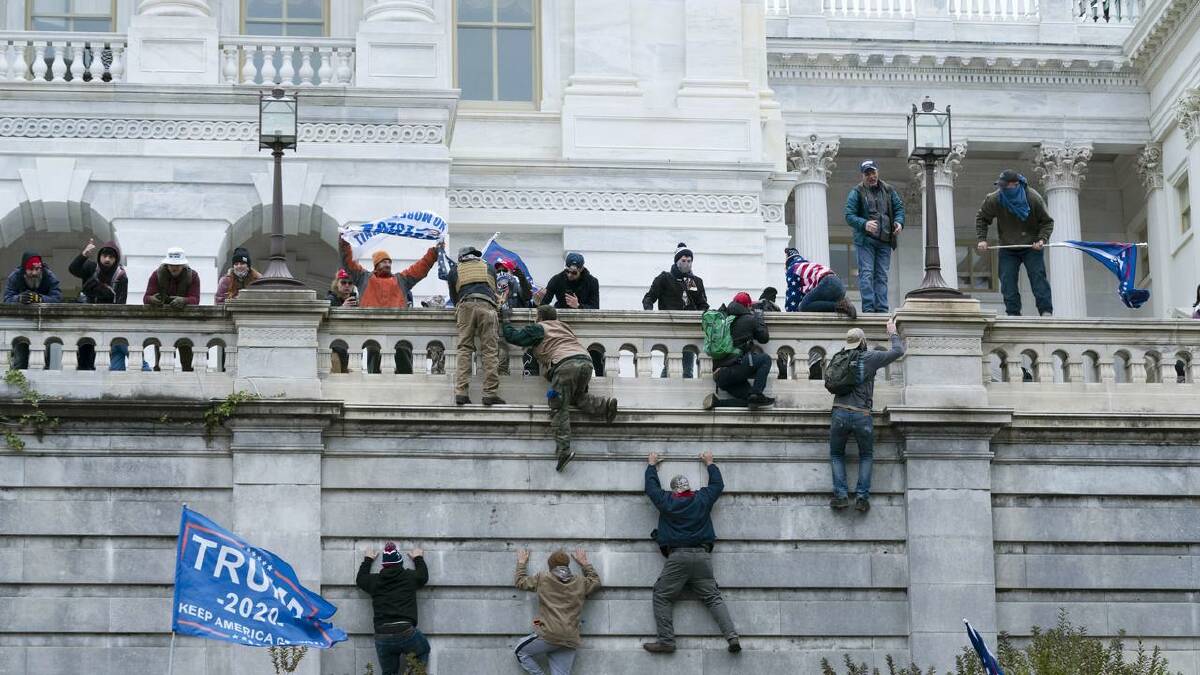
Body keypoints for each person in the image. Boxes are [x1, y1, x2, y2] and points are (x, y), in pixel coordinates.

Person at [643, 450, 740, 655]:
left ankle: (667, 641)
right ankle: (732, 637)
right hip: (703, 557)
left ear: (674, 490)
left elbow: (651, 489)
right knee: (713, 598)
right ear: (688, 487)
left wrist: (651, 465)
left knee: (661, 595)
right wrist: (710, 463)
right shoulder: (702, 498)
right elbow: (717, 486)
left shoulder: (667, 501)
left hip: (678, 557)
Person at [502, 304, 618, 470]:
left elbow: (514, 337)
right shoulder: (564, 327)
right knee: (577, 397)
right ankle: (606, 406)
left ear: (540, 317)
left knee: (558, 406)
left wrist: (506, 320)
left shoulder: (540, 328)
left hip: (565, 366)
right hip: (585, 362)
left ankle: (564, 450)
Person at [828, 319, 904, 513]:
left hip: (839, 411)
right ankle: (862, 498)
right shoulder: (870, 357)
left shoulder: (839, 357)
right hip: (862, 413)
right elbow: (898, 351)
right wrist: (893, 332)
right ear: (862, 342)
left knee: (837, 454)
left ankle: (841, 496)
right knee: (866, 455)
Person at [975, 169, 1055, 317]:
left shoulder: (1033, 198)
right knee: (1007, 280)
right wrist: (982, 239)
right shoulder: (995, 198)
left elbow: (1047, 222)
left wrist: (1042, 239)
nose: (1002, 189)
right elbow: (982, 219)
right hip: (1008, 247)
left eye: (1005, 186)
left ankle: (1046, 311)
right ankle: (1013, 313)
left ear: (1016, 184)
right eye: (1000, 186)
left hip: (1032, 247)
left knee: (1038, 278)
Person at [513, 548, 601, 675]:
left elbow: (520, 582)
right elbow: (596, 582)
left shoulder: (543, 578)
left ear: (550, 566)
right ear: (567, 565)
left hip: (549, 635)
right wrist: (585, 563)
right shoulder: (580, 582)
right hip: (570, 639)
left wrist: (521, 563)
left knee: (520, 651)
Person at [356, 542, 430, 674]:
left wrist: (368, 559)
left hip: (382, 634)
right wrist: (418, 558)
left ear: (384, 565)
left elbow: (360, 579)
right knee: (422, 650)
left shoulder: (375, 581)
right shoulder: (409, 577)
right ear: (400, 563)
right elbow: (423, 576)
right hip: (406, 631)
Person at [445, 244, 504, 406]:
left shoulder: (455, 270)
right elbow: (493, 289)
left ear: (461, 257)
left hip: (466, 305)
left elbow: (454, 297)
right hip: (487, 306)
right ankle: (490, 394)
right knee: (490, 351)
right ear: (475, 255)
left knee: (464, 348)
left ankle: (461, 393)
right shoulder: (489, 267)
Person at [845, 160, 904, 313]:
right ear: (862, 175)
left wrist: (899, 222)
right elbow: (849, 215)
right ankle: (869, 309)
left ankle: (883, 309)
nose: (871, 176)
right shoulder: (856, 192)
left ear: (878, 172)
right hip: (866, 241)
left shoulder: (889, 190)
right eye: (867, 173)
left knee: (882, 276)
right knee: (866, 274)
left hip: (885, 240)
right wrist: (864, 223)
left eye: (873, 172)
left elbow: (899, 208)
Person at [643, 243, 708, 377]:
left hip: (690, 328)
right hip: (670, 326)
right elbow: (649, 297)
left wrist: (705, 315)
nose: (687, 264)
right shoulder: (665, 278)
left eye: (689, 261)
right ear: (677, 261)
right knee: (671, 363)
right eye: (683, 261)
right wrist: (649, 313)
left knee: (688, 367)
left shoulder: (693, 281)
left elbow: (702, 303)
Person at [703, 292, 773, 410]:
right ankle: (757, 393)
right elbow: (764, 338)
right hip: (735, 369)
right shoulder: (749, 319)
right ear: (748, 306)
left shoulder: (723, 318)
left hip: (719, 376)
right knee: (765, 359)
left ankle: (716, 403)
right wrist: (759, 318)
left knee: (749, 400)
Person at [538, 252, 604, 374]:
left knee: (594, 350)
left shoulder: (592, 281)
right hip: (562, 323)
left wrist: (578, 306)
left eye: (574, 273)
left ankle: (599, 375)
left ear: (582, 269)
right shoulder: (557, 279)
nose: (569, 275)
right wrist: (538, 299)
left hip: (584, 324)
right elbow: (544, 305)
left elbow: (595, 307)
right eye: (567, 271)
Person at [68, 239, 129, 370]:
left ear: (116, 259)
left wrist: (105, 292)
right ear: (99, 256)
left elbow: (121, 304)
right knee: (85, 355)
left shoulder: (120, 276)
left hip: (106, 321)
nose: (107, 259)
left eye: (111, 257)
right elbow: (73, 269)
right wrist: (84, 254)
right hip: (87, 319)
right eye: (104, 256)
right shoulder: (91, 267)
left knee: (103, 359)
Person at [338, 237, 438, 309]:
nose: (388, 264)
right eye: (384, 262)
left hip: (395, 329)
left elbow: (420, 268)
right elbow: (348, 263)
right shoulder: (363, 278)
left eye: (389, 262)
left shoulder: (401, 280)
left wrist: (434, 253)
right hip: (369, 328)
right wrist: (344, 242)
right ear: (376, 264)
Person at [143, 247, 199, 370]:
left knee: (186, 362)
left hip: (185, 324)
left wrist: (184, 301)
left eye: (177, 265)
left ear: (183, 265)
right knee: (161, 363)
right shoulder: (156, 275)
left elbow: (195, 300)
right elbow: (146, 298)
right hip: (162, 323)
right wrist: (153, 299)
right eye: (172, 265)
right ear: (167, 264)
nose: (174, 268)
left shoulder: (193, 276)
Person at [4, 252, 63, 369]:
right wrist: (19, 298)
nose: (35, 273)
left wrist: (40, 298)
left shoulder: (49, 276)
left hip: (45, 323)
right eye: (31, 269)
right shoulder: (15, 276)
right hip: (21, 324)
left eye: (37, 269)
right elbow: (7, 299)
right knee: (20, 359)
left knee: (44, 360)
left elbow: (58, 298)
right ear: (24, 268)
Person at [783, 247, 857, 318]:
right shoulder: (807, 266)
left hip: (828, 283)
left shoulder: (793, 269)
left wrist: (791, 313)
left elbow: (792, 293)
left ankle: (841, 306)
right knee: (814, 305)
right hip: (839, 286)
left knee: (804, 306)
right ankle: (842, 305)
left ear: (788, 262)